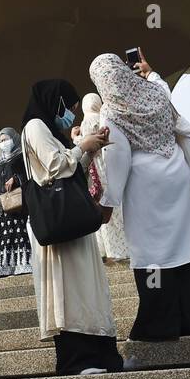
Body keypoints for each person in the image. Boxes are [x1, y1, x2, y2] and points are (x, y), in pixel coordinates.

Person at [91, 53, 190, 342]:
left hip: (145, 188)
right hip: (177, 174)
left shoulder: (111, 111)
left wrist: (108, 202)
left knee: (153, 256)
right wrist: (150, 71)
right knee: (188, 249)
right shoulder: (155, 92)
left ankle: (159, 324)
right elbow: (165, 91)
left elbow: (118, 159)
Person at [20, 79, 122, 375]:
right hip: (61, 223)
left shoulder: (51, 130)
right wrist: (81, 147)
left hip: (73, 223)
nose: (72, 115)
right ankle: (77, 360)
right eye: (70, 107)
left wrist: (91, 149)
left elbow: (71, 167)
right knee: (71, 291)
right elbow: (54, 166)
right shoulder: (35, 126)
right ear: (56, 100)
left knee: (88, 290)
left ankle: (103, 357)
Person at [81, 94, 130, 264]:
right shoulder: (101, 119)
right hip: (106, 168)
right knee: (116, 209)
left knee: (101, 212)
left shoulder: (83, 123)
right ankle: (124, 248)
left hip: (94, 173)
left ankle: (107, 251)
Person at [0, 127, 32, 277]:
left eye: (6, 139)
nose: (3, 143)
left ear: (14, 138)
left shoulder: (20, 156)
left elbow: (28, 175)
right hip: (3, 203)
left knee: (18, 230)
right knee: (2, 235)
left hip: (17, 200)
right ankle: (1, 268)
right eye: (1, 141)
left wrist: (16, 178)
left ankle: (22, 265)